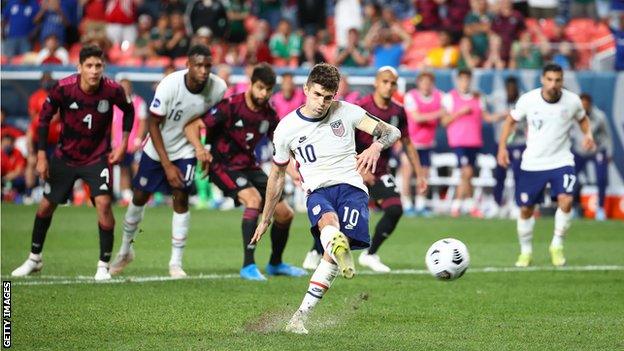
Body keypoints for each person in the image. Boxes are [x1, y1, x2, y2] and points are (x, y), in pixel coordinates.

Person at [250, 63, 401, 334]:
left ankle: (299, 317)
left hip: (353, 189)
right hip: (318, 190)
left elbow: (392, 132)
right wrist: (266, 217)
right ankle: (335, 242)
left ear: (335, 95)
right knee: (329, 224)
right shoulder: (286, 129)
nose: (322, 102)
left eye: (328, 97)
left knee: (330, 253)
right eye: (318, 94)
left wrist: (376, 146)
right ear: (306, 89)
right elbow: (277, 175)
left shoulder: (347, 112)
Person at [11, 45, 135, 280]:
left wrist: (122, 144)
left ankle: (102, 265)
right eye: (89, 65)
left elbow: (128, 112)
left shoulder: (112, 90)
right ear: (79, 68)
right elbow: (44, 119)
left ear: (104, 67)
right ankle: (34, 259)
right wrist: (40, 156)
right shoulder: (64, 89)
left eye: (98, 65)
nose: (94, 70)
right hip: (65, 157)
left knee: (104, 204)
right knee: (46, 206)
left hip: (97, 157)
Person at [109, 45, 226, 278]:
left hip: (185, 149)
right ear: (188, 66)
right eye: (198, 65)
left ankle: (175, 262)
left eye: (207, 66)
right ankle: (124, 251)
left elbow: (212, 122)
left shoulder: (218, 88)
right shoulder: (169, 85)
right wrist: (167, 165)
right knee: (140, 197)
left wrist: (205, 149)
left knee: (181, 195)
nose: (203, 71)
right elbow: (153, 124)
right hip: (157, 148)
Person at [185, 63, 306, 281]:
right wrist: (200, 149)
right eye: (260, 87)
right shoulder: (230, 105)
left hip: (249, 166)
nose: (264, 93)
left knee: (285, 214)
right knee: (253, 199)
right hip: (223, 166)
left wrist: (296, 173)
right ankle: (248, 265)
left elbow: (280, 150)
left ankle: (276, 263)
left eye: (268, 89)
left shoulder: (269, 114)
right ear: (251, 84)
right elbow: (193, 126)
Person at [497, 63, 595, 268]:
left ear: (562, 81)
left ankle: (557, 245)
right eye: (549, 79)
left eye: (558, 80)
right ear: (542, 79)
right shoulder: (528, 100)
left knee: (566, 201)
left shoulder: (572, 101)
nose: (553, 84)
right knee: (526, 209)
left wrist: (588, 135)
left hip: (561, 160)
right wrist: (502, 147)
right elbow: (510, 121)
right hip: (533, 162)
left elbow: (582, 119)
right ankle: (526, 252)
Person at [355, 66, 427, 272]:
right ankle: (316, 252)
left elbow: (407, 142)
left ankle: (370, 254)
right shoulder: (361, 108)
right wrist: (359, 168)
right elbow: (345, 141)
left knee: (395, 208)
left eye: (392, 83)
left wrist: (420, 173)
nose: (388, 86)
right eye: (385, 82)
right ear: (376, 83)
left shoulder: (398, 111)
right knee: (339, 213)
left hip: (379, 171)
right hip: (354, 167)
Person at [441, 68, 488, 217]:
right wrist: (460, 112)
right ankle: (471, 205)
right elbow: (444, 121)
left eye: (467, 79)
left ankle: (456, 206)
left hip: (474, 141)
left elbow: (487, 117)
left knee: (467, 175)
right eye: (462, 79)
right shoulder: (450, 97)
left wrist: (506, 116)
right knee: (466, 171)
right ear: (458, 81)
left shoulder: (478, 98)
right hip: (458, 141)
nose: (465, 82)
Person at [402, 71, 444, 216]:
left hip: (427, 143)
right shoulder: (410, 96)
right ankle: (407, 204)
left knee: (424, 175)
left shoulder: (438, 96)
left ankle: (421, 205)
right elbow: (417, 117)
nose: (426, 85)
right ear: (419, 83)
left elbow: (449, 106)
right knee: (407, 173)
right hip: (411, 142)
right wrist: (439, 114)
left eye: (429, 82)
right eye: (423, 82)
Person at [487, 76, 525, 218]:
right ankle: (497, 203)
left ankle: (517, 204)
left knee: (518, 175)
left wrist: (517, 124)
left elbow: (527, 120)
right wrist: (501, 116)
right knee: (499, 174)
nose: (510, 91)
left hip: (518, 143)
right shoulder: (498, 97)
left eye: (512, 88)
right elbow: (485, 103)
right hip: (501, 142)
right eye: (508, 88)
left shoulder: (523, 100)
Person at [572, 93, 612, 221]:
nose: (584, 107)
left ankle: (600, 208)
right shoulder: (573, 116)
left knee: (601, 178)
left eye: (586, 105)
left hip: (597, 150)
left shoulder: (599, 116)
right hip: (580, 150)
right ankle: (574, 207)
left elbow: (607, 135)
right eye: (581, 104)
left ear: (590, 105)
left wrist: (609, 152)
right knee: (571, 178)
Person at [111, 77, 148, 205]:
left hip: (134, 143)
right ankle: (126, 195)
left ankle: (141, 193)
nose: (124, 89)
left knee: (137, 168)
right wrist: (113, 143)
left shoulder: (138, 102)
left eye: (126, 86)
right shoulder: (114, 104)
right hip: (120, 144)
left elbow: (143, 122)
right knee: (123, 169)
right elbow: (112, 124)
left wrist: (138, 140)